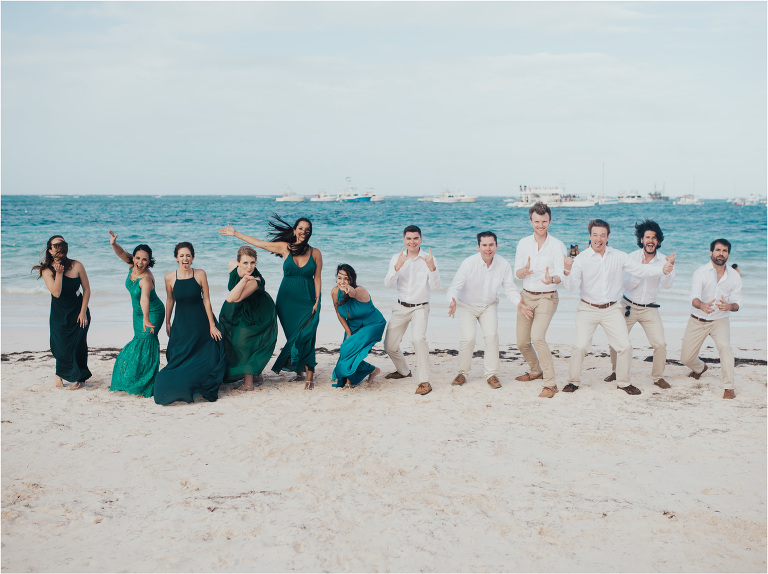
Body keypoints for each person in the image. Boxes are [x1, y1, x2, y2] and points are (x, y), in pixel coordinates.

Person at [562, 219, 674, 395]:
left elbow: (641, 270)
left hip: (612, 309)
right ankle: (573, 381)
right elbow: (571, 287)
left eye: (602, 235)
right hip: (587, 308)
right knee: (580, 346)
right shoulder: (581, 259)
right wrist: (567, 271)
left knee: (625, 347)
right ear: (589, 236)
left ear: (608, 236)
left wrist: (663, 270)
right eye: (595, 235)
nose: (599, 239)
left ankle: (623, 382)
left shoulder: (619, 256)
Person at [219, 216, 322, 390]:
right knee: (293, 336)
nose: (304, 232)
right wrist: (236, 234)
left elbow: (317, 277)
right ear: (295, 230)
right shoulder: (285, 247)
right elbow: (260, 244)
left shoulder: (315, 252)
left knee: (307, 333)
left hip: (307, 298)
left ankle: (309, 372)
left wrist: (318, 300)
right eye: (301, 228)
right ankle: (299, 372)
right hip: (286, 299)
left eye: (307, 230)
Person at [447, 231, 530, 389]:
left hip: (489, 306)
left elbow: (510, 289)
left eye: (491, 245)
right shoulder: (468, 263)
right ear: (478, 247)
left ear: (497, 246)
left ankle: (491, 374)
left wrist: (520, 303)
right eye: (484, 245)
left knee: (491, 336)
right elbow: (454, 287)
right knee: (469, 338)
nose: (488, 248)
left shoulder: (503, 264)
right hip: (466, 305)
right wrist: (452, 301)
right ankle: (462, 373)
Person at [603, 220, 674, 389]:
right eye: (647, 237)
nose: (651, 240)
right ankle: (616, 371)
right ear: (641, 239)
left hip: (650, 308)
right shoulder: (631, 258)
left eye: (654, 238)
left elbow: (667, 285)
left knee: (660, 344)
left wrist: (669, 267)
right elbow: (627, 285)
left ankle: (658, 377)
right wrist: (641, 270)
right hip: (628, 306)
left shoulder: (664, 260)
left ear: (658, 241)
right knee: (616, 342)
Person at [154, 242, 227, 405]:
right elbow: (170, 300)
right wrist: (167, 322)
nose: (185, 258)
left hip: (201, 321)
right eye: (181, 255)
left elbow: (206, 300)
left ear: (192, 258)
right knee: (179, 356)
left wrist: (212, 325)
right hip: (181, 323)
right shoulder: (169, 277)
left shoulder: (200, 274)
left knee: (209, 353)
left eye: (188, 255)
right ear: (176, 258)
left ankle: (202, 384)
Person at [514, 203, 567, 398]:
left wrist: (551, 278)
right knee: (521, 342)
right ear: (531, 221)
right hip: (526, 297)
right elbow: (517, 272)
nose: (540, 225)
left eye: (544, 221)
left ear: (550, 221)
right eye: (537, 221)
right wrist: (523, 271)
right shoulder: (523, 243)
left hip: (547, 297)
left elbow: (562, 274)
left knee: (537, 337)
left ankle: (550, 384)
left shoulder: (557, 245)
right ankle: (536, 371)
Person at [680, 239, 742, 399]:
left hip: (719, 320)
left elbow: (737, 304)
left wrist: (729, 306)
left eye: (725, 251)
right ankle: (700, 368)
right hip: (697, 319)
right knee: (686, 358)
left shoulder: (734, 276)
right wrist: (701, 305)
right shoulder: (700, 272)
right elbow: (694, 298)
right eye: (718, 250)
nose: (721, 253)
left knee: (725, 346)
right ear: (711, 252)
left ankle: (729, 388)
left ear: (728, 254)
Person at [383, 225, 440, 395]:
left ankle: (424, 381)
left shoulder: (429, 259)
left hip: (420, 307)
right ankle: (404, 371)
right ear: (404, 240)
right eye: (409, 238)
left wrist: (432, 268)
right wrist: (397, 267)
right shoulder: (396, 258)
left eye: (416, 238)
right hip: (401, 307)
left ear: (421, 239)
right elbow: (388, 284)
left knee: (418, 339)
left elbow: (436, 288)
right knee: (389, 346)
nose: (412, 242)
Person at [107, 231, 165, 397]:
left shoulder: (146, 279)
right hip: (138, 313)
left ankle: (145, 383)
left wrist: (146, 319)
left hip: (152, 312)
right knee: (139, 343)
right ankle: (137, 380)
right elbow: (121, 253)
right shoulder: (132, 265)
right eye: (138, 258)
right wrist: (113, 244)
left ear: (149, 261)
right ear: (133, 258)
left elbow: (145, 299)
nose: (140, 262)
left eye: (144, 259)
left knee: (144, 344)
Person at [32, 235, 91, 389]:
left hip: (79, 310)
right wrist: (58, 273)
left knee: (79, 345)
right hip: (59, 314)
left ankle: (81, 378)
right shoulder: (47, 270)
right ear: (50, 250)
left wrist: (83, 311)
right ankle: (59, 373)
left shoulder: (77, 265)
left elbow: (86, 289)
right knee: (61, 346)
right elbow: (56, 293)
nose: (59, 247)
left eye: (62, 244)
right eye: (55, 245)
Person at [218, 246, 278, 391]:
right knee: (228, 337)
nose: (249, 267)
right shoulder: (232, 265)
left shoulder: (255, 281)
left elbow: (232, 297)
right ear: (238, 262)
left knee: (244, 341)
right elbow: (233, 293)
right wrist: (242, 279)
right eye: (245, 263)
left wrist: (245, 280)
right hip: (238, 308)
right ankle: (256, 374)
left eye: (252, 263)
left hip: (257, 311)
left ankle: (248, 383)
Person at [331, 264, 386, 388]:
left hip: (372, 323)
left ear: (352, 280)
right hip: (353, 325)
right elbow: (339, 314)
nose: (342, 281)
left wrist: (350, 290)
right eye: (340, 278)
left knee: (350, 349)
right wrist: (348, 332)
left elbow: (353, 293)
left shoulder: (360, 290)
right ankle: (372, 370)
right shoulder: (335, 292)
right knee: (346, 352)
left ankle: (352, 380)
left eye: (346, 278)